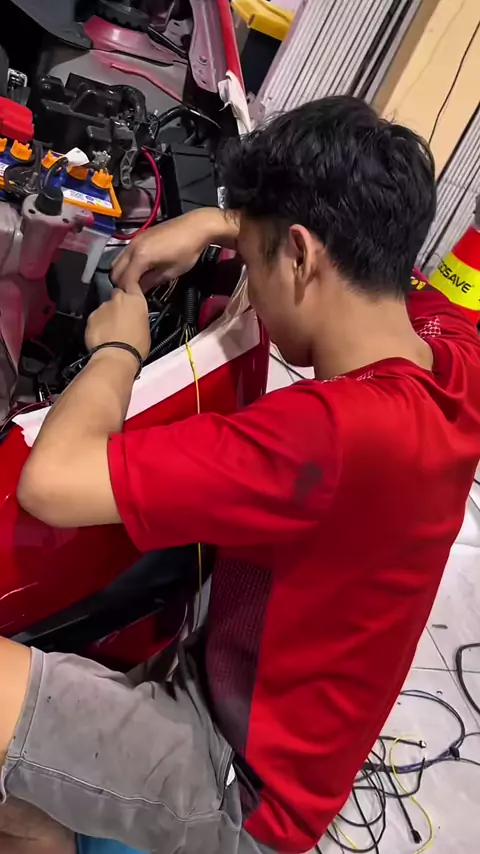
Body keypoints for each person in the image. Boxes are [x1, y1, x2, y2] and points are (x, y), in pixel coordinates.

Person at [1, 96, 480, 854]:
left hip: (236, 784)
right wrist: (220, 224)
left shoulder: (329, 437)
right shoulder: (451, 358)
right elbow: (396, 276)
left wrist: (117, 349)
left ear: (301, 255)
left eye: (255, 262)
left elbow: (51, 483)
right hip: (249, 707)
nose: (246, 278)